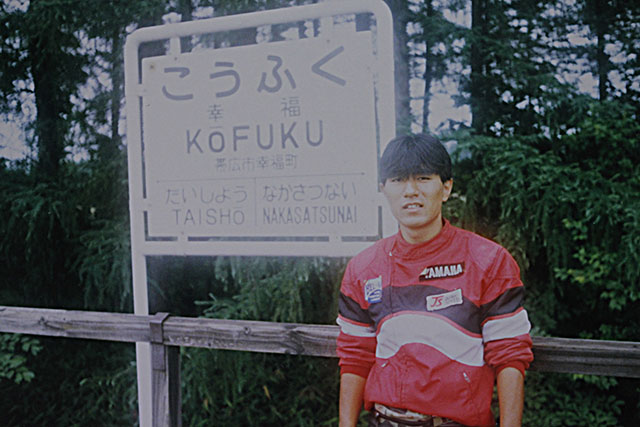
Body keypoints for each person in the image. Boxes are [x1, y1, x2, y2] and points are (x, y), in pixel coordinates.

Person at [336, 133, 534, 427]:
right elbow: (355, 359)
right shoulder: (363, 268)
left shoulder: (489, 261)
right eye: (398, 180)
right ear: (383, 189)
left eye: (424, 178)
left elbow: (510, 356)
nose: (411, 191)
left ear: (446, 188)